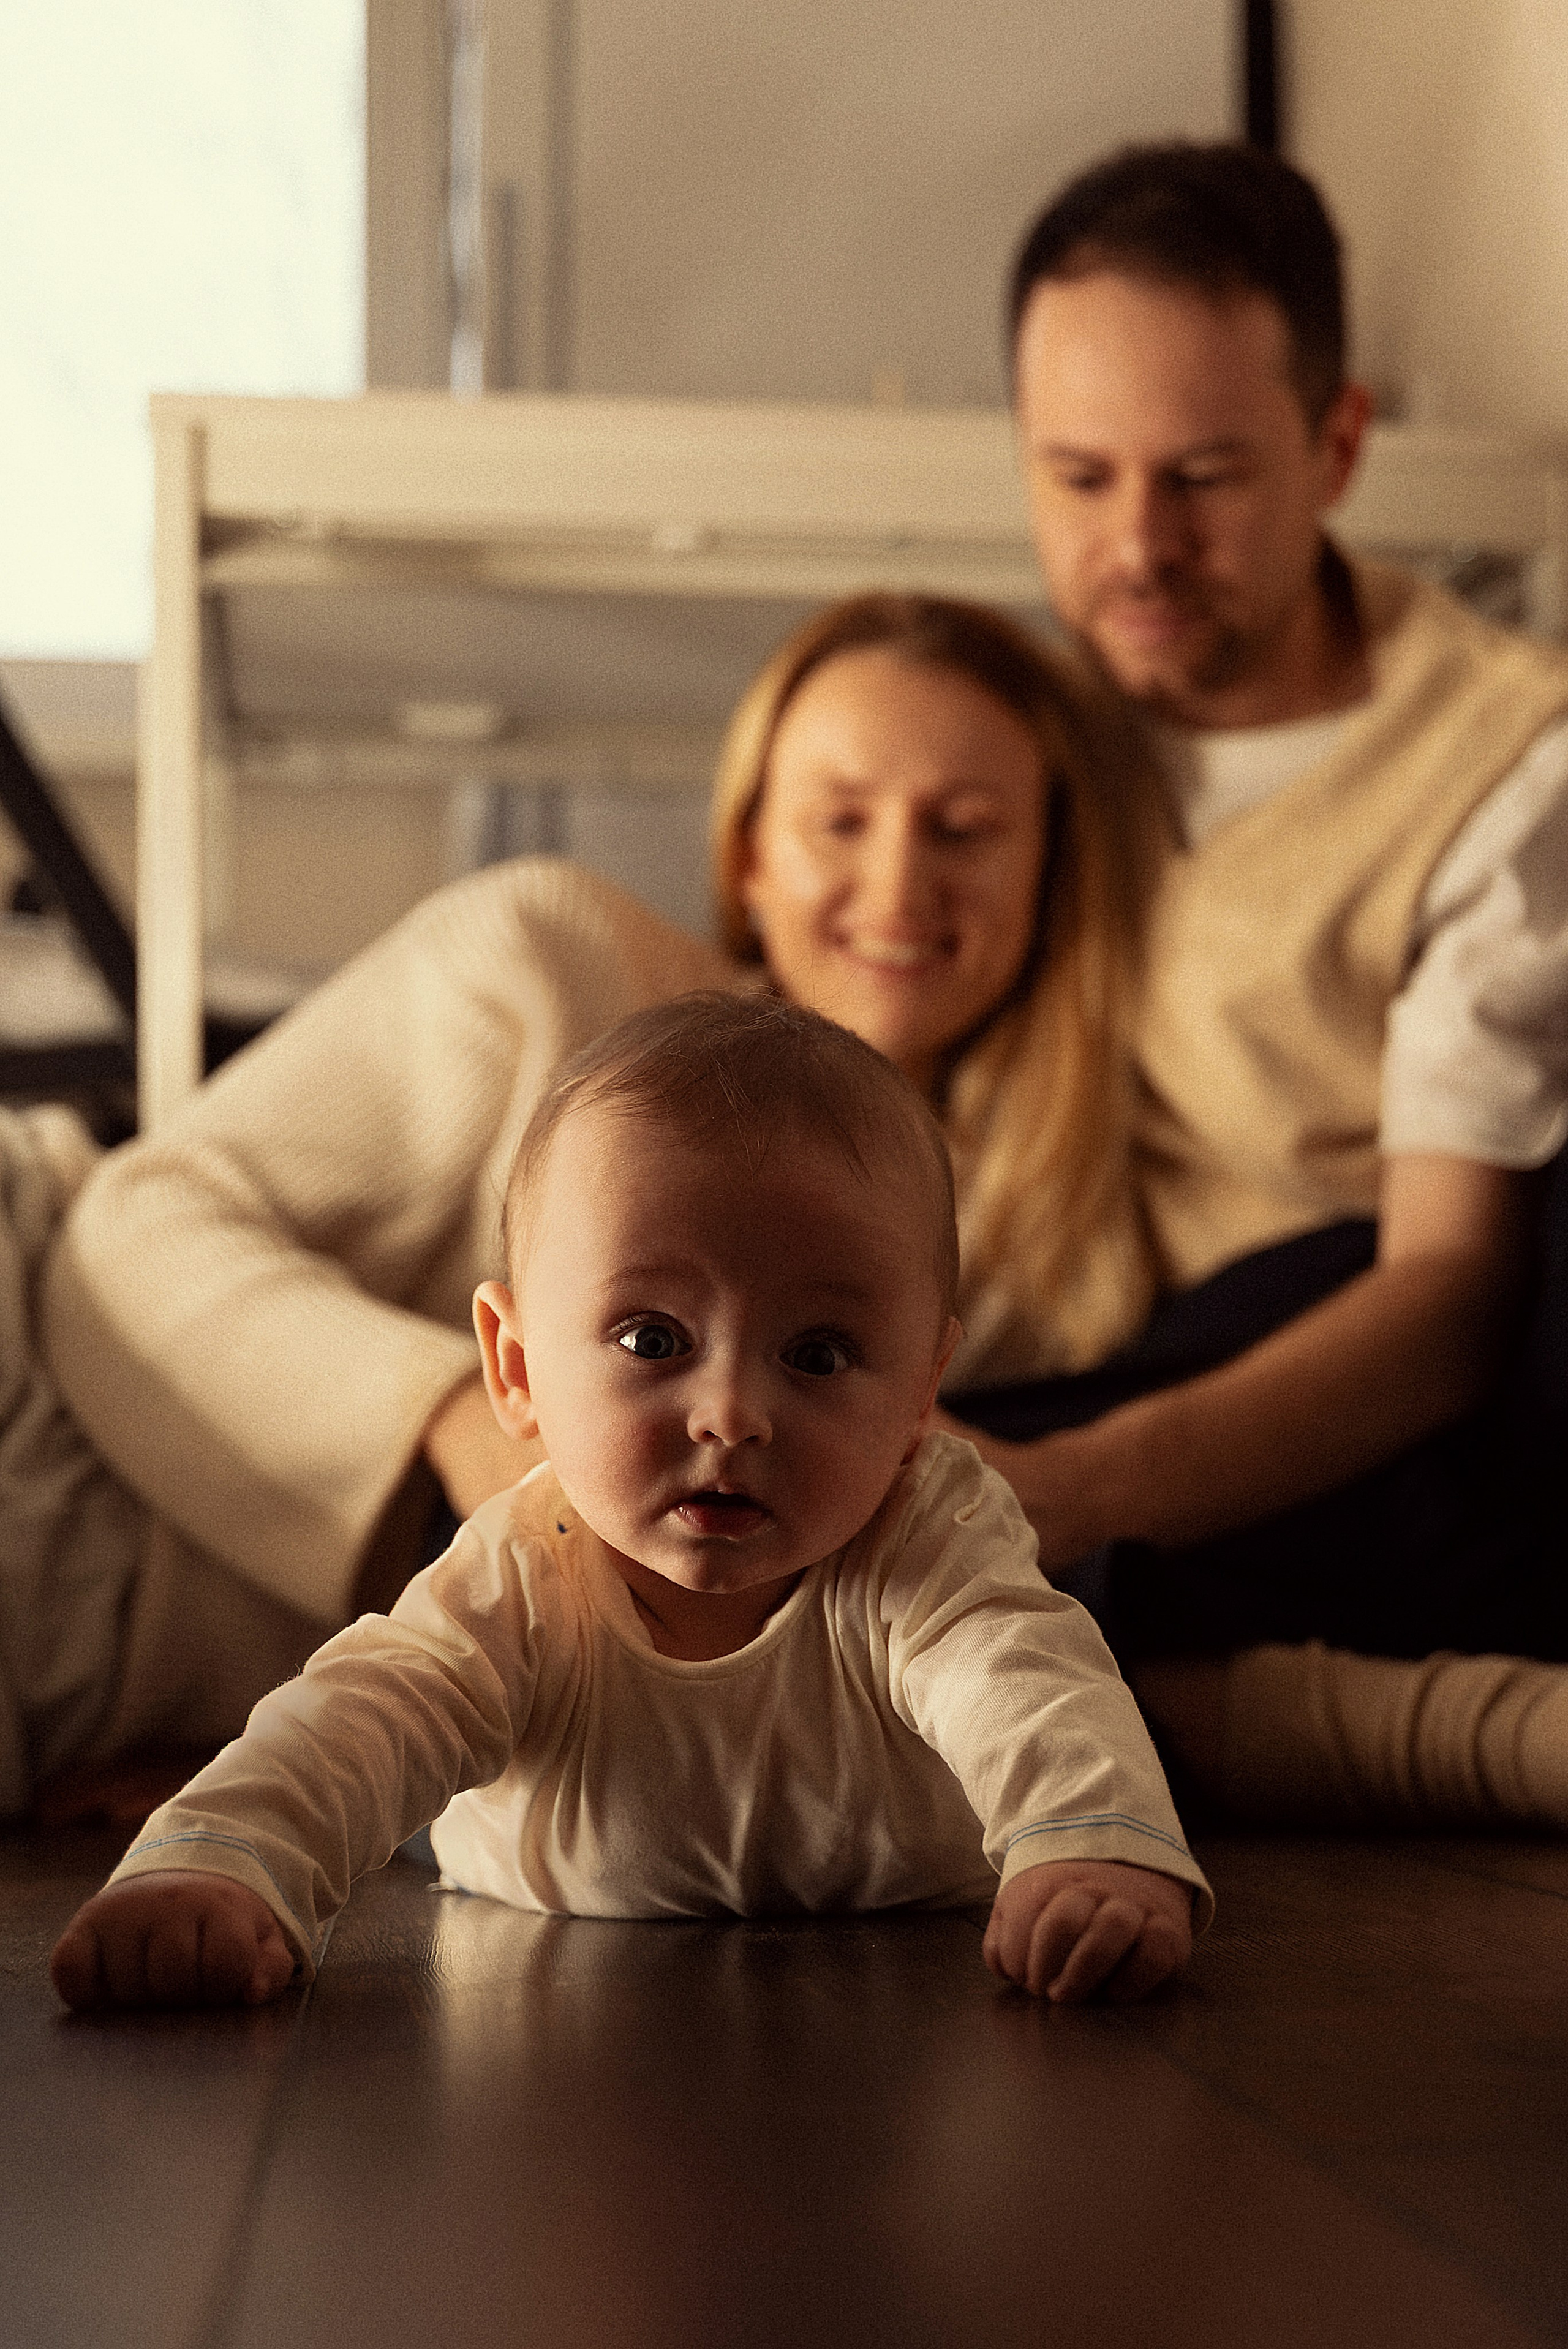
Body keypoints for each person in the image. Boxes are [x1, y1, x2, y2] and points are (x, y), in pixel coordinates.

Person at [17, 590, 1167, 1826]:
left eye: (963, 828)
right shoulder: (545, 962)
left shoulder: (1029, 1257)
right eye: (838, 819)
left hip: (156, 1696)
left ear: (1045, 872)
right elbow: (128, 1241)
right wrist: (474, 1431)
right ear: (747, 855)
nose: (896, 880)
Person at [48, 995, 1210, 2012]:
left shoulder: (929, 1533)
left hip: (901, 1919)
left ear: (919, 1396)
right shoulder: (526, 1565)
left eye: (817, 1353)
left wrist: (1087, 1850)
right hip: (518, 1877)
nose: (730, 1415)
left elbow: (1026, 1681)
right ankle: (204, 1802)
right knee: (398, 1763)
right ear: (516, 1370)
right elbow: (367, 1714)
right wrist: (220, 1868)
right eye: (653, 1338)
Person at [935, 140, 1568, 1818]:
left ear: (1338, 443)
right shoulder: (1014, 723)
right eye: (1077, 477)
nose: (1137, 544)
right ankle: (1248, 1712)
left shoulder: (1503, 757)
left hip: (1390, 1391)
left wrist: (1064, 1490)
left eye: (1204, 477)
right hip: (1103, 1368)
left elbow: (1451, 1299)